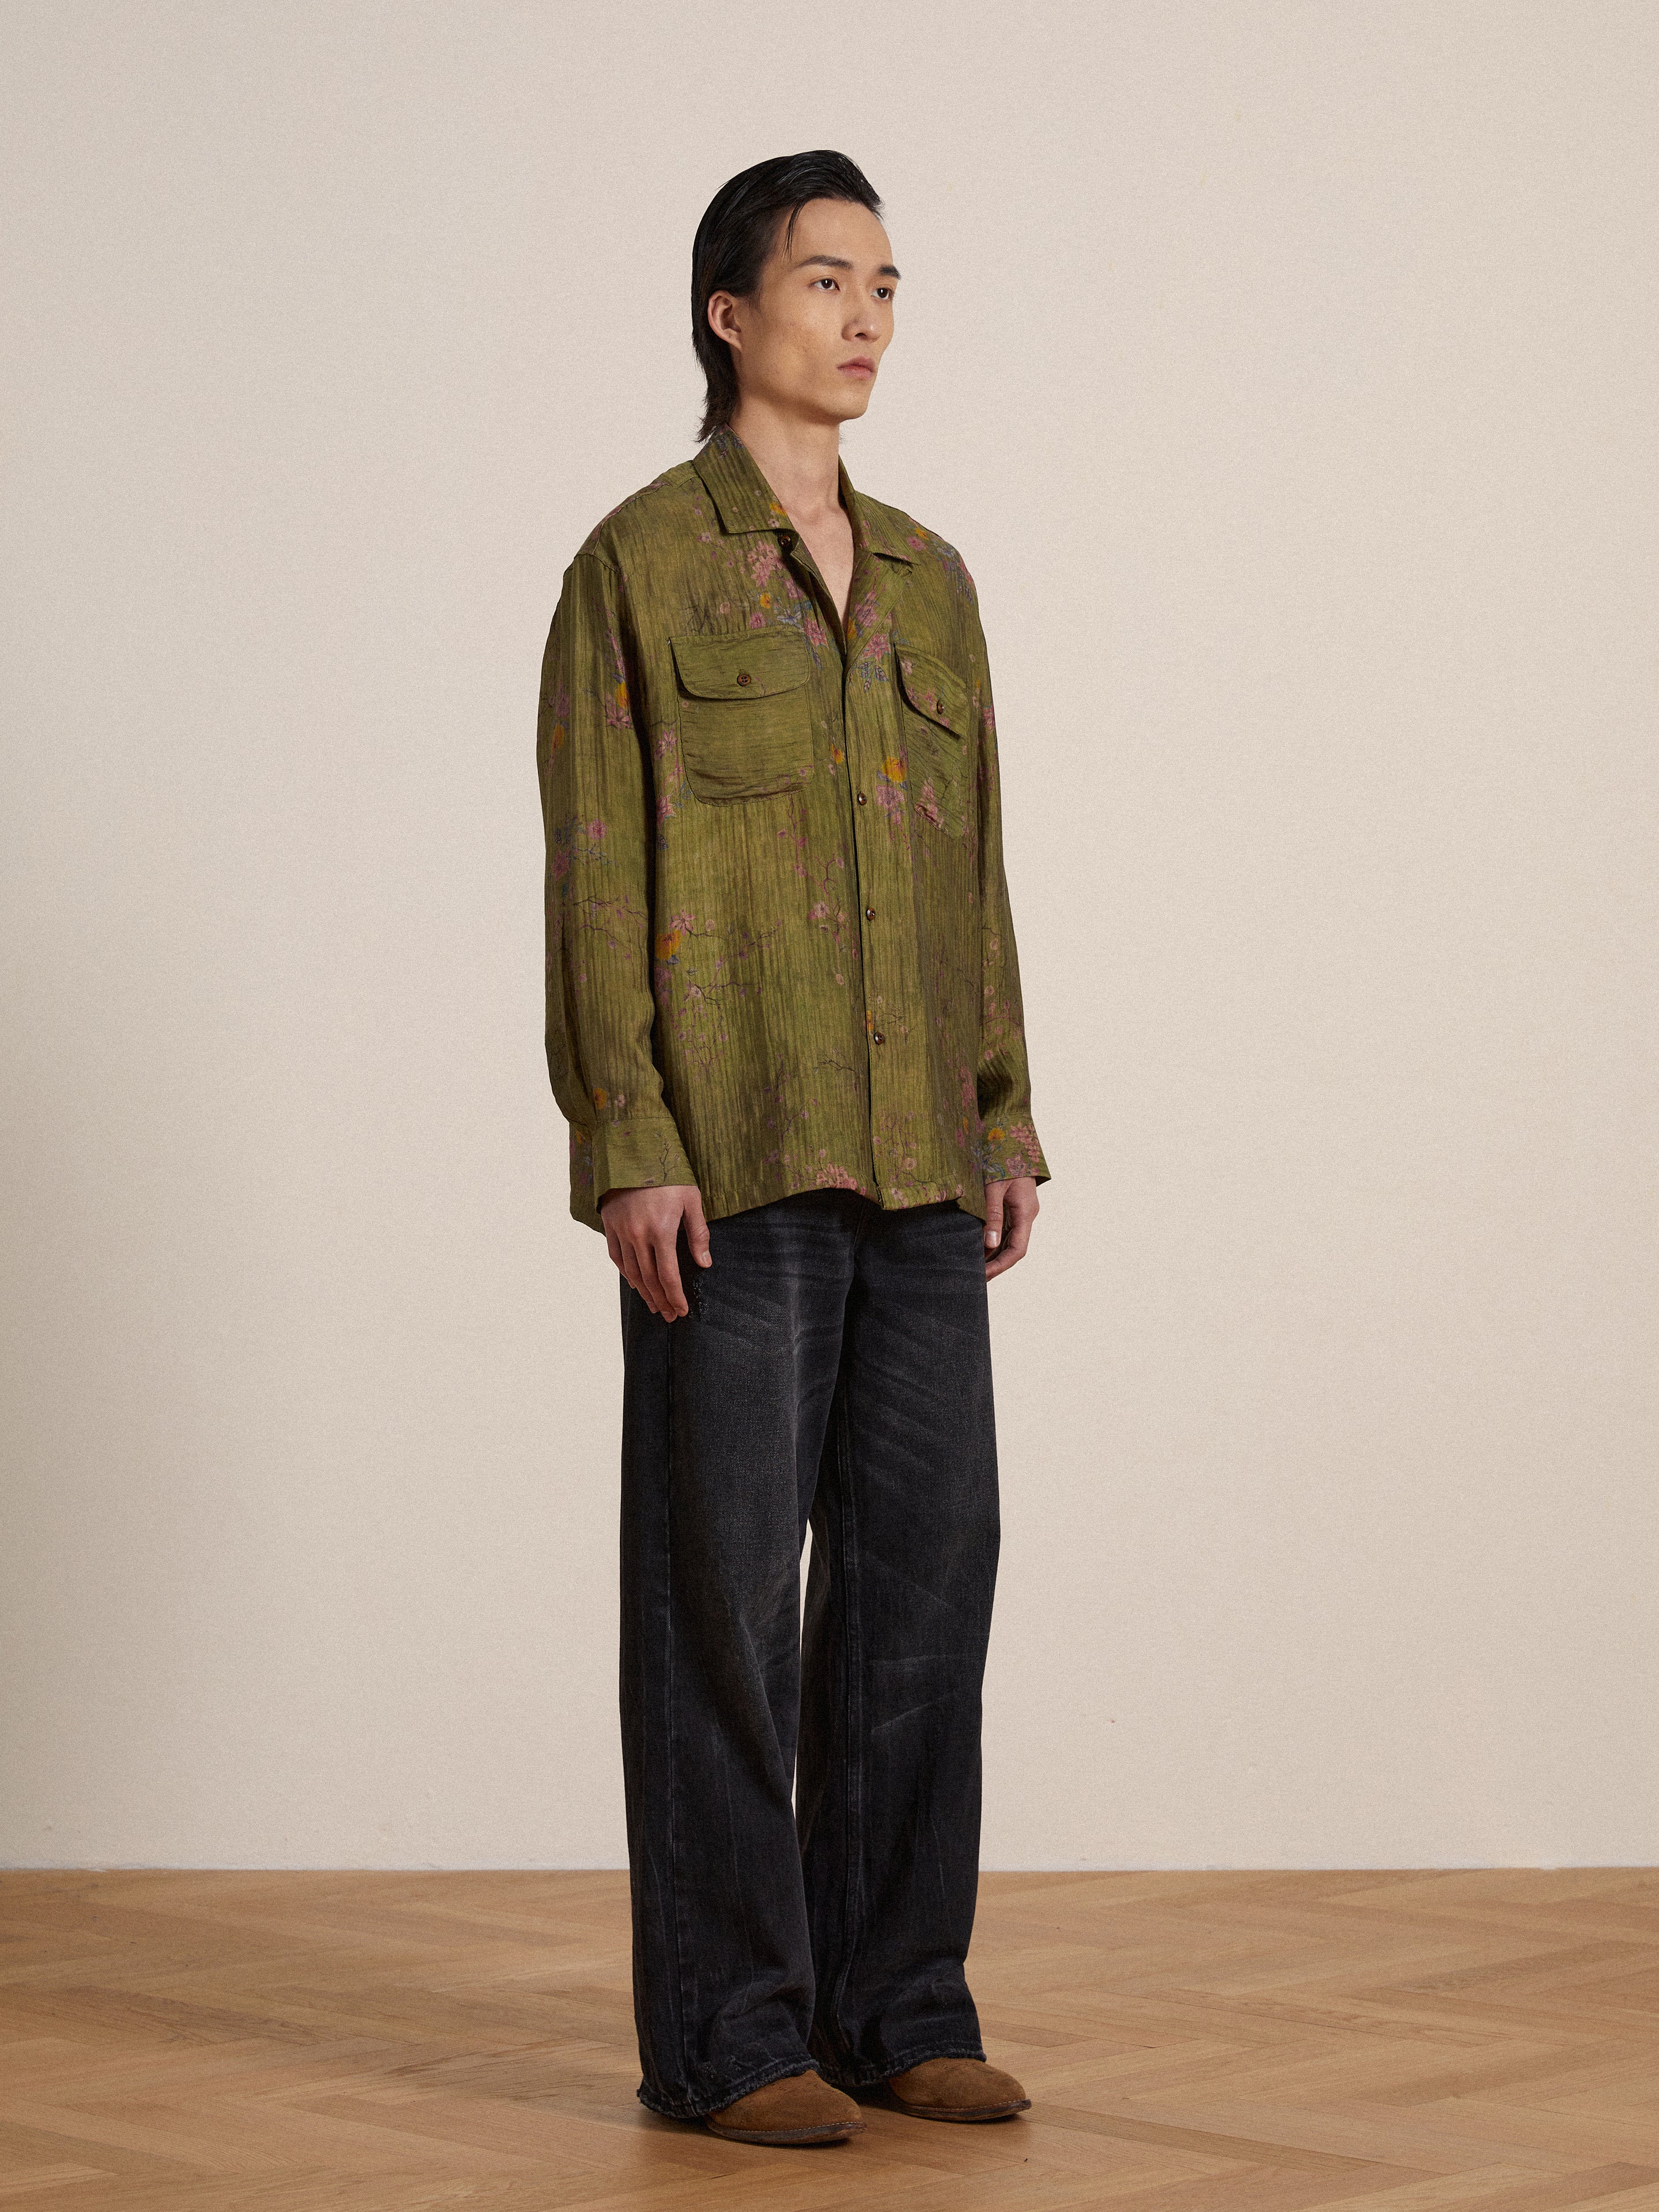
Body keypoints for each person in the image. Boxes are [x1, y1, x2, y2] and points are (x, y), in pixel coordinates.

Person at [536, 149, 1051, 2150]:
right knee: (725, 1613)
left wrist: (1005, 1108)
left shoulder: (932, 578)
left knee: (927, 1596)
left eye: (890, 284)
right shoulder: (638, 570)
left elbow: (977, 869)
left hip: (924, 1161)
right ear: (729, 314)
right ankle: (729, 2034)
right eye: (827, 279)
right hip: (731, 1163)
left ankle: (899, 2002)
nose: (866, 318)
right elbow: (597, 880)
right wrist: (629, 1143)